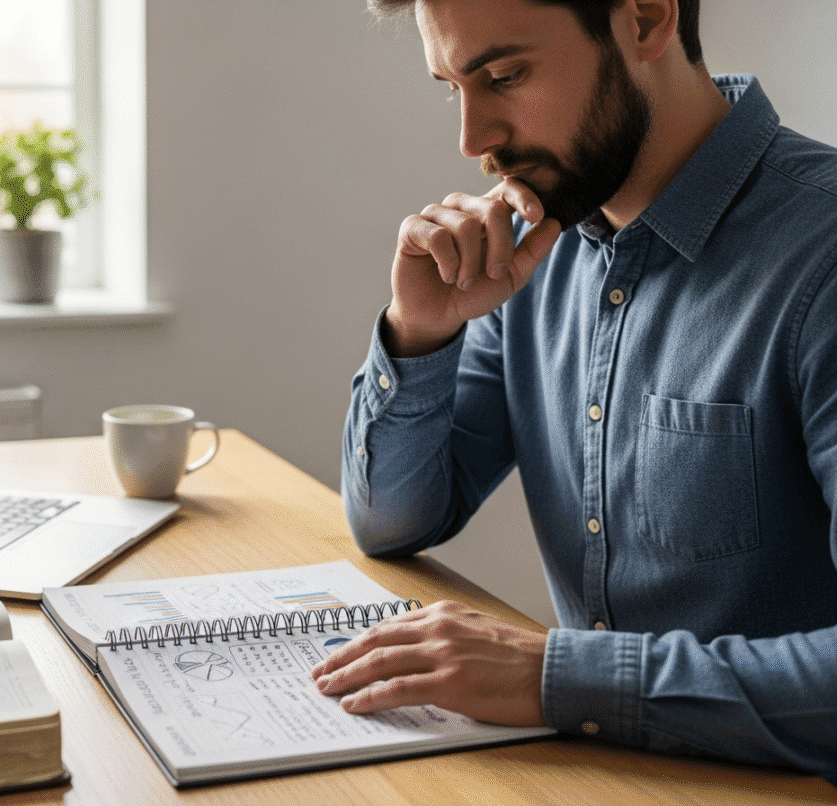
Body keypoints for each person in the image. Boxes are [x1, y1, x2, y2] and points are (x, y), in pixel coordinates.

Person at [311, 0, 837, 782]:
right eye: (451, 87)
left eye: (503, 76)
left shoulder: (820, 257)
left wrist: (549, 676)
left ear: (648, 19)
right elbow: (392, 520)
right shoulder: (530, 253)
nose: (472, 140)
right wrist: (417, 332)